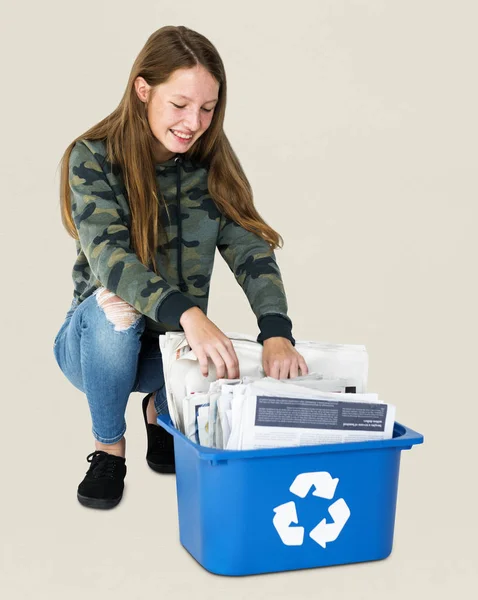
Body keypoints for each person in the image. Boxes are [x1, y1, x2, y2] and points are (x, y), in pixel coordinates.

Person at [53, 25, 309, 510]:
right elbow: (110, 259)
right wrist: (191, 315)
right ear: (143, 90)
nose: (194, 122)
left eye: (208, 109)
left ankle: (161, 413)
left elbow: (250, 248)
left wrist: (276, 331)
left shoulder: (209, 163)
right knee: (117, 309)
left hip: (167, 349)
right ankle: (108, 448)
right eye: (180, 105)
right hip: (93, 347)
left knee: (228, 356)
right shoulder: (91, 158)